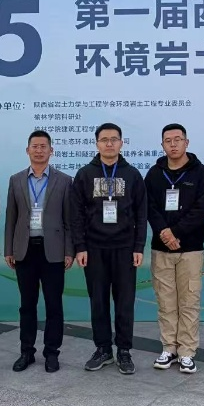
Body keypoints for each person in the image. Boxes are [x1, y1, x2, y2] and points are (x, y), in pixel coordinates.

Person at [71, 123, 147, 375]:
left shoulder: (132, 175)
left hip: (125, 248)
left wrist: (138, 246)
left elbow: (141, 213)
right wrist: (80, 246)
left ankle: (124, 350)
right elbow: (76, 214)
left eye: (114, 139)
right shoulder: (85, 174)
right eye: (104, 139)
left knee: (124, 302)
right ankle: (103, 348)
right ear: (97, 144)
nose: (109, 143)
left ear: (121, 143)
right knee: (98, 302)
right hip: (94, 248)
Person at [145, 123, 204, 374]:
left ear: (187, 142)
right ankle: (169, 348)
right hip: (161, 249)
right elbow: (149, 207)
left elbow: (201, 210)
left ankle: (187, 351)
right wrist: (164, 233)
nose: (173, 144)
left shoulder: (201, 173)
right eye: (168, 141)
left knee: (189, 301)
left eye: (177, 139)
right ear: (162, 145)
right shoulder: (154, 174)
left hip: (190, 249)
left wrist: (175, 233)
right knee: (166, 302)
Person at [4, 130, 73, 373]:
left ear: (51, 150)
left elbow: (69, 220)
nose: (39, 150)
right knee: (27, 305)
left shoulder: (64, 181)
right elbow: (11, 218)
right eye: (35, 146)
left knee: (54, 305)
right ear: (28, 150)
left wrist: (69, 250)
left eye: (44, 146)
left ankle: (52, 353)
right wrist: (9, 249)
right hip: (25, 251)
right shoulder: (16, 180)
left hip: (53, 251)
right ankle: (27, 352)